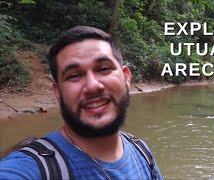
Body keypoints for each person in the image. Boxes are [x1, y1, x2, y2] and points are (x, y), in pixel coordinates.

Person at [0, 26, 162, 179]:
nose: (92, 86)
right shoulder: (31, 169)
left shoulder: (141, 152)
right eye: (74, 76)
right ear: (57, 92)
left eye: (104, 68)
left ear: (126, 77)